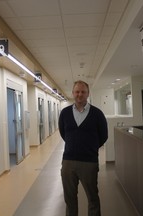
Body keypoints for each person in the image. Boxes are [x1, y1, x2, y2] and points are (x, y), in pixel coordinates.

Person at [58, 80, 108, 216]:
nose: (80, 94)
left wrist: (89, 148)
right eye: (77, 91)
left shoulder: (97, 114)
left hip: (89, 162)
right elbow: (63, 133)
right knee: (70, 199)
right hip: (68, 162)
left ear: (88, 94)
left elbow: (103, 135)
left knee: (92, 198)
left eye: (83, 92)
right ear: (73, 93)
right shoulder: (65, 113)